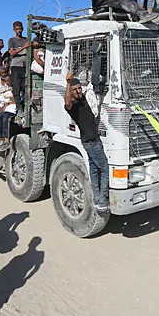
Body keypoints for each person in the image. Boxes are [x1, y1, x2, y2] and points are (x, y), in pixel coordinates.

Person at [64, 71, 109, 212]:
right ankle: (102, 200)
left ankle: (96, 198)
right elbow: (66, 102)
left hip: (90, 140)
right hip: (91, 142)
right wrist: (67, 83)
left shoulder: (83, 98)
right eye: (74, 90)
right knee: (105, 169)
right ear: (70, 93)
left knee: (94, 170)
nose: (78, 91)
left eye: (79, 88)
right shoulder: (73, 105)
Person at [8, 21, 35, 113]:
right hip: (16, 66)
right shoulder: (12, 41)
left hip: (25, 66)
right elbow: (12, 53)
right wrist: (24, 47)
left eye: (20, 29)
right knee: (16, 87)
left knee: (24, 86)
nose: (19, 31)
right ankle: (18, 107)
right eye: (17, 29)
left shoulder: (25, 39)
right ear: (14, 30)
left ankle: (24, 106)